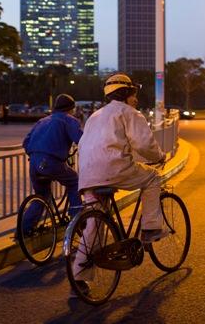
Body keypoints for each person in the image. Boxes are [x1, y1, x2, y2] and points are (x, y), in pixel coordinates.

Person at [72, 74, 166, 296]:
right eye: (133, 93)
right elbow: (144, 144)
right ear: (126, 94)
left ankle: (79, 277)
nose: (136, 98)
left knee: (94, 223)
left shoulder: (94, 116)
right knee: (153, 178)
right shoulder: (129, 113)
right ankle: (151, 228)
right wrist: (159, 156)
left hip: (87, 176)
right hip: (115, 170)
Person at [21, 94, 83, 234]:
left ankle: (24, 230)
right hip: (51, 161)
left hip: (34, 163)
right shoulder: (68, 120)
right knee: (74, 182)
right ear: (71, 108)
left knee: (42, 195)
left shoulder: (42, 121)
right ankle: (76, 218)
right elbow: (81, 139)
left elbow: (25, 142)